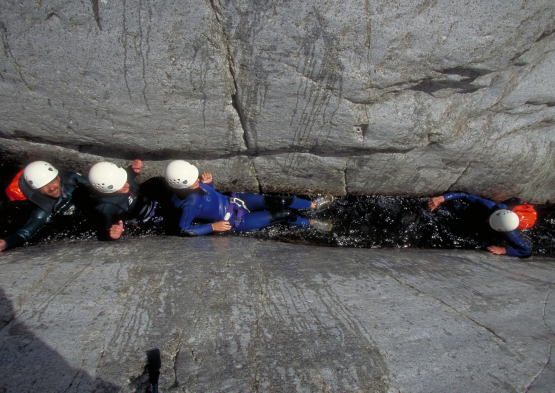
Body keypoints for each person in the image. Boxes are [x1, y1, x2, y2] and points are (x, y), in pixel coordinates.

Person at [164, 160, 334, 236]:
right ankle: (311, 224)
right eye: (193, 180)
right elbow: (184, 229)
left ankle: (313, 205)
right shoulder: (189, 205)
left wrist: (210, 184)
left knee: (279, 201)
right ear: (183, 186)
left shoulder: (193, 187)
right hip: (238, 221)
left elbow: (209, 199)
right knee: (284, 214)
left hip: (237, 200)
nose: (197, 180)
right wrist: (212, 227)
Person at [0, 161, 90, 252]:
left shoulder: (72, 179)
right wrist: (6, 243)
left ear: (58, 177)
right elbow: (25, 233)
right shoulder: (44, 209)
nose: (51, 188)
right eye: (44, 186)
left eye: (52, 181)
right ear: (38, 190)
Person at [427, 192, 534, 258]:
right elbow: (465, 195)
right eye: (489, 218)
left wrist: (503, 250)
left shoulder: (509, 233)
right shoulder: (490, 206)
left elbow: (526, 252)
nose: (487, 220)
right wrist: (441, 198)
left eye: (490, 222)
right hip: (478, 213)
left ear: (500, 229)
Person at [88, 159, 160, 240]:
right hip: (142, 217)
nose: (127, 185)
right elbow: (104, 228)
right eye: (121, 185)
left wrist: (133, 169)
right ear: (108, 191)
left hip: (146, 197)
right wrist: (111, 234)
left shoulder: (119, 176)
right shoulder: (106, 208)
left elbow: (128, 173)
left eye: (125, 180)